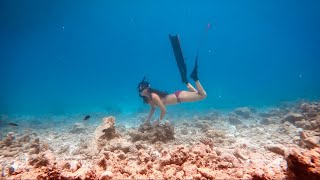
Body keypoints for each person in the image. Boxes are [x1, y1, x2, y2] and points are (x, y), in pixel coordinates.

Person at [138, 34, 207, 124]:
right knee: (198, 94)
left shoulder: (154, 96)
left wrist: (159, 121)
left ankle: (195, 78)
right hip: (179, 97)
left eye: (141, 88)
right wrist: (147, 120)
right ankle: (187, 83)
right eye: (139, 88)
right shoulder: (147, 99)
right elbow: (153, 108)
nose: (139, 89)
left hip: (179, 97)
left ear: (147, 88)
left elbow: (164, 110)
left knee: (203, 96)